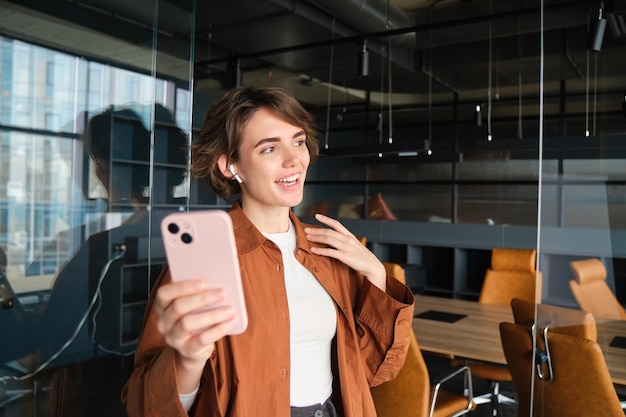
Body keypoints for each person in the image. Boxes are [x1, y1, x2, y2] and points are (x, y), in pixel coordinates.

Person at [121, 86, 415, 417]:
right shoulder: (203, 258)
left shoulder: (326, 252)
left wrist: (376, 275)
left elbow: (370, 372)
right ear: (231, 166)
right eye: (269, 148)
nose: (294, 160)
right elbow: (146, 406)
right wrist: (186, 359)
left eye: (298, 141)